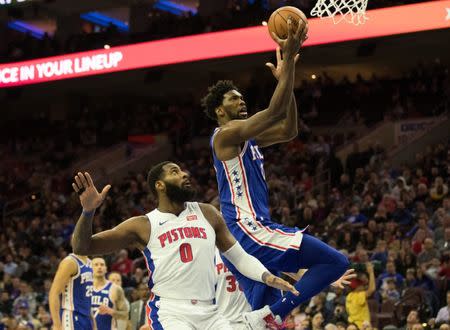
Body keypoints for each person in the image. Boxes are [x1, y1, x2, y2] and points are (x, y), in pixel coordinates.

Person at [203, 14, 349, 330]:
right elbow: (274, 111)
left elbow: (289, 128)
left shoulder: (247, 136)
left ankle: (267, 315)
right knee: (335, 261)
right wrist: (289, 68)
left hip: (249, 230)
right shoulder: (225, 136)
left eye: (242, 98)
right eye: (233, 99)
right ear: (219, 111)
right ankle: (274, 313)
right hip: (246, 227)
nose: (241, 102)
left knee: (258, 316)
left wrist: (288, 75)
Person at [70, 165, 297, 329]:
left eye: (183, 171)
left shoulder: (207, 213)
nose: (184, 174)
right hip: (171, 311)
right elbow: (82, 246)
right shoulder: (143, 225)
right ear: (159, 185)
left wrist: (266, 276)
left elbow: (238, 257)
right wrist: (88, 212)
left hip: (210, 310)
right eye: (175, 172)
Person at [49, 254, 94, 330]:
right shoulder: (70, 262)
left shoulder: (91, 263)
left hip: (86, 317)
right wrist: (56, 325)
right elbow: (54, 293)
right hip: (71, 316)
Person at [91, 257, 129, 330]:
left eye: (102, 265)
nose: (99, 267)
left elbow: (125, 315)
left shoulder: (115, 289)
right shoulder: (84, 288)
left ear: (106, 269)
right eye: (96, 265)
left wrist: (111, 311)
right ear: (90, 268)